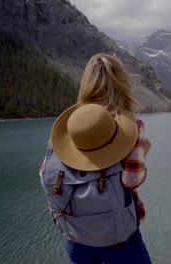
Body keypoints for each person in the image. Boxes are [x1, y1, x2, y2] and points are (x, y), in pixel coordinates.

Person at [39, 53, 152, 264]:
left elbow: (45, 174)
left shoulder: (71, 126)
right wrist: (142, 149)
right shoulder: (131, 128)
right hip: (119, 242)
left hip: (76, 238)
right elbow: (131, 180)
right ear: (122, 84)